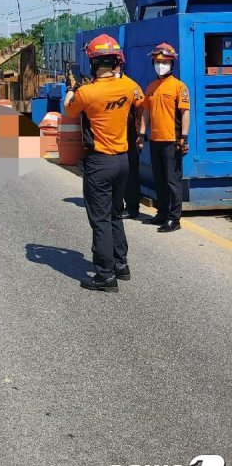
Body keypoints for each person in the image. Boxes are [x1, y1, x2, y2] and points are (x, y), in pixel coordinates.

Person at [64, 34, 145, 292]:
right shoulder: (130, 86)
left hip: (100, 163)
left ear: (93, 63)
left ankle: (105, 275)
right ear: (116, 61)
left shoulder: (86, 93)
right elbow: (141, 104)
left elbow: (69, 109)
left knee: (99, 219)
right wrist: (140, 133)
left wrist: (71, 87)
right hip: (122, 160)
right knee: (114, 214)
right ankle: (121, 265)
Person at [138, 43, 190, 233]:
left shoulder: (179, 87)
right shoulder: (151, 87)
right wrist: (141, 134)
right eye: (158, 62)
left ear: (172, 64)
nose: (161, 65)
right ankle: (162, 213)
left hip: (172, 140)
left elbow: (185, 113)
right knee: (159, 179)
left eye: (165, 62)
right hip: (156, 140)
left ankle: (174, 219)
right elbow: (146, 112)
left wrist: (183, 137)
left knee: (172, 181)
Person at [115, 54, 143, 219]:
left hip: (128, 135)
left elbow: (140, 110)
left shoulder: (131, 86)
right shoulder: (103, 85)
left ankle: (132, 207)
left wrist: (140, 134)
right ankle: (117, 204)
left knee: (131, 172)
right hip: (111, 136)